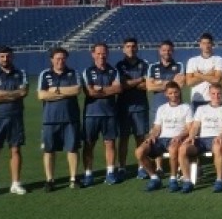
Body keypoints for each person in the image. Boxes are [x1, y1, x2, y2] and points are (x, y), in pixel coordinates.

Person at [0, 46, 28, 197]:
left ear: (12, 57)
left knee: (15, 150)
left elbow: (23, 92)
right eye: (2, 56)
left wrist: (1, 93)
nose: (5, 59)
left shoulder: (21, 73)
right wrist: (13, 95)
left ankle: (15, 183)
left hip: (15, 116)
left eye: (8, 56)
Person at [38, 47, 81, 192]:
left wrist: (55, 91)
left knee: (72, 148)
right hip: (50, 119)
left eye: (63, 58)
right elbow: (41, 95)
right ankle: (50, 180)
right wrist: (65, 92)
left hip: (71, 118)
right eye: (57, 58)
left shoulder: (73, 73)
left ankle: (73, 178)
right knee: (49, 150)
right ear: (52, 60)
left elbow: (76, 90)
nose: (60, 61)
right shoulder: (45, 74)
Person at [135, 81, 192, 192]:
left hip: (177, 139)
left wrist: (180, 136)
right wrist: (152, 136)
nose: (173, 95)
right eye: (170, 93)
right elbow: (157, 127)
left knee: (173, 148)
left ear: (179, 92)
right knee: (139, 151)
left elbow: (189, 128)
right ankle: (154, 178)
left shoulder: (186, 108)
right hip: (161, 139)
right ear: (166, 94)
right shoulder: (162, 108)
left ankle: (173, 179)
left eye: (176, 92)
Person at [178, 83, 222, 193]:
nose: (216, 96)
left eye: (218, 94)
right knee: (183, 148)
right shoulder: (201, 109)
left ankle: (219, 180)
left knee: (217, 147)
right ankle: (187, 181)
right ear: (209, 94)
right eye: (213, 94)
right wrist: (191, 136)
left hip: (217, 138)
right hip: (202, 140)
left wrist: (221, 136)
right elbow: (195, 126)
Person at [81, 42, 122, 186]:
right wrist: (107, 89)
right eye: (98, 53)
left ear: (107, 54)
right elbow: (90, 92)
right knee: (89, 144)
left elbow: (118, 89)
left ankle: (110, 173)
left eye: (104, 53)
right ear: (93, 54)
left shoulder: (114, 71)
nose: (101, 56)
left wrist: (99, 89)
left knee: (110, 143)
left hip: (110, 114)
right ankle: (88, 174)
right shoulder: (87, 71)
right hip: (91, 114)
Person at [145, 40, 185, 174]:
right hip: (157, 106)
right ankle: (159, 167)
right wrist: (170, 83)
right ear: (159, 51)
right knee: (157, 134)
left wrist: (160, 83)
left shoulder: (179, 65)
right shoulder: (152, 67)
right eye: (164, 50)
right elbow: (149, 87)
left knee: (177, 133)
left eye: (169, 50)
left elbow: (180, 84)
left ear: (172, 51)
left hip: (176, 106)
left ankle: (179, 166)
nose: (166, 52)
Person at [115, 37, 149, 180]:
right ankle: (122, 167)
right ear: (123, 49)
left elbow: (147, 85)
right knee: (123, 138)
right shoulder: (119, 65)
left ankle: (142, 167)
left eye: (133, 46)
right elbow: (121, 86)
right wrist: (139, 80)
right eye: (128, 46)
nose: (131, 49)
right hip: (123, 106)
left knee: (140, 137)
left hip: (140, 106)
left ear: (137, 48)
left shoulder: (144, 64)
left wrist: (130, 83)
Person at [186, 33, 222, 110]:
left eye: (208, 43)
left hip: (214, 99)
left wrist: (198, 75)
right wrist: (210, 74)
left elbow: (216, 80)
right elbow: (189, 82)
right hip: (197, 99)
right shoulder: (192, 61)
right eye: (203, 43)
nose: (206, 46)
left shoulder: (218, 59)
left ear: (212, 44)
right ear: (200, 45)